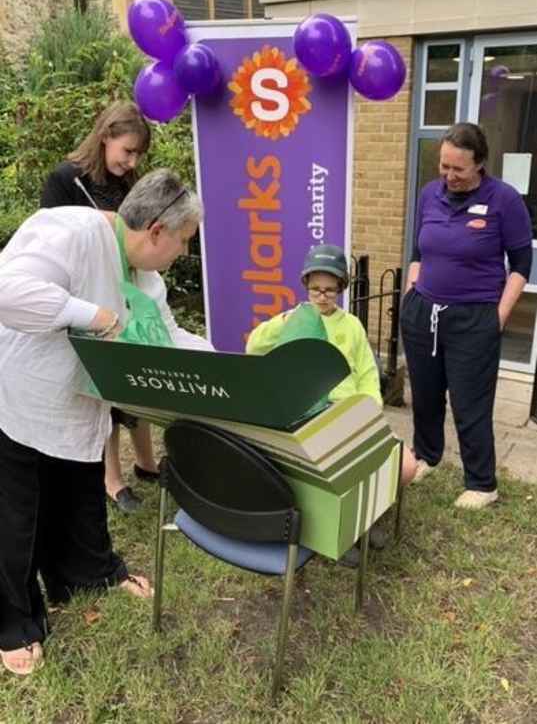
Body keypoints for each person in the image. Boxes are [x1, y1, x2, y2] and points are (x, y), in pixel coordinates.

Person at [0, 168, 213, 675]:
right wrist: (95, 315)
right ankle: (12, 621)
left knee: (79, 496)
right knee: (16, 515)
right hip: (23, 396)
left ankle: (87, 574)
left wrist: (227, 363)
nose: (183, 254)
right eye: (183, 242)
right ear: (157, 230)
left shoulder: (147, 278)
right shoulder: (69, 230)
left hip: (81, 401)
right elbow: (8, 291)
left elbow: (166, 336)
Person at [246, 244, 417, 565]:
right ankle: (344, 531)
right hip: (312, 414)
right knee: (339, 467)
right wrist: (286, 319)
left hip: (350, 412)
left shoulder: (351, 325)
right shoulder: (293, 320)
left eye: (329, 290)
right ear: (305, 286)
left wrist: (367, 412)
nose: (322, 297)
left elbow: (367, 374)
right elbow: (254, 346)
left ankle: (369, 518)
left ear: (341, 288)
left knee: (404, 467)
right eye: (315, 290)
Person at [401, 122, 532, 510]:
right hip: (424, 311)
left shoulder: (504, 200)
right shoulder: (429, 194)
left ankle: (481, 482)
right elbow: (419, 250)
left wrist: (498, 317)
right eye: (444, 166)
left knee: (469, 401)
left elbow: (522, 265)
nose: (449, 176)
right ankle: (426, 456)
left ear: (480, 164)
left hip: (474, 318)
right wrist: (412, 289)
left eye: (458, 168)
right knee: (424, 394)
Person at [41, 100, 157, 514]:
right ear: (105, 136)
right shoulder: (65, 179)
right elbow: (52, 238)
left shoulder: (131, 183)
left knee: (137, 375)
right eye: (127, 150)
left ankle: (146, 462)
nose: (132, 160)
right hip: (86, 298)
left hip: (126, 290)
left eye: (138, 154)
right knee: (104, 386)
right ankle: (113, 479)